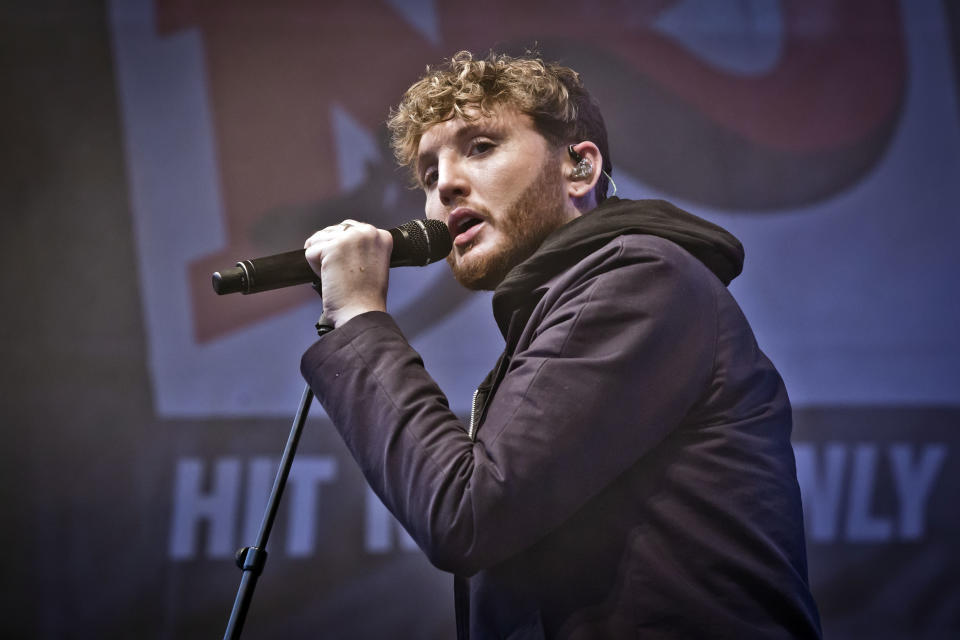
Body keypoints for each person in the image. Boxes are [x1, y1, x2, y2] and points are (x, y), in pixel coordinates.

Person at [300, 51, 822, 639]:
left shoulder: (640, 279)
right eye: (427, 175)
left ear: (579, 168)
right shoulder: (569, 307)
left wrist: (360, 317)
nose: (444, 184)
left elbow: (465, 512)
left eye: (479, 147)